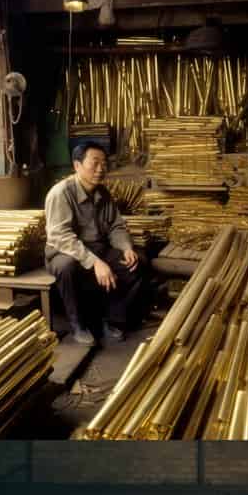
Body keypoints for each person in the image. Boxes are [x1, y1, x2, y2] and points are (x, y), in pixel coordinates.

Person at [44, 141, 147, 345]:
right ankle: (78, 325)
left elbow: (116, 226)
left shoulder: (103, 193)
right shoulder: (61, 193)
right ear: (77, 166)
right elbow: (61, 236)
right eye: (95, 163)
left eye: (104, 163)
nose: (101, 169)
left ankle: (113, 320)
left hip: (97, 249)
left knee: (138, 261)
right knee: (66, 267)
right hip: (65, 252)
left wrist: (126, 248)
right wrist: (95, 262)